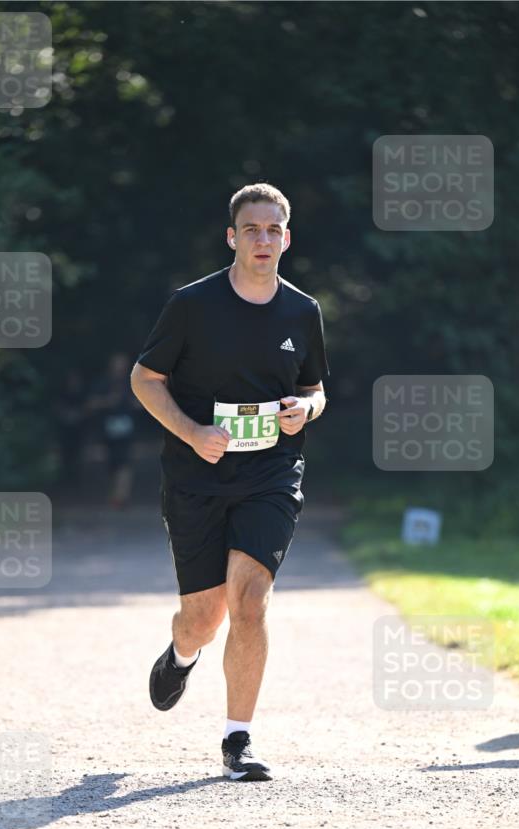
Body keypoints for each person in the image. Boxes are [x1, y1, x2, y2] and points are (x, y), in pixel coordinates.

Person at [130, 183, 328, 781]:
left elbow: (317, 389)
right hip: (197, 473)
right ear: (232, 238)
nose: (263, 240)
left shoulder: (303, 310)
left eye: (273, 230)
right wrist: (192, 433)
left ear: (286, 239)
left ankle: (237, 739)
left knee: (249, 601)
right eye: (252, 230)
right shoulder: (193, 305)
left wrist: (306, 410)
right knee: (204, 615)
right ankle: (182, 652)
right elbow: (145, 379)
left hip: (271, 471)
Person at [88, 353, 137, 508]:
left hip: (127, 428)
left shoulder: (132, 382)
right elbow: (91, 403)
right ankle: (115, 494)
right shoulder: (103, 383)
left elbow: (140, 402)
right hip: (108, 428)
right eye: (117, 364)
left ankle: (121, 497)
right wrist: (107, 402)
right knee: (113, 463)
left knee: (125, 462)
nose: (120, 368)